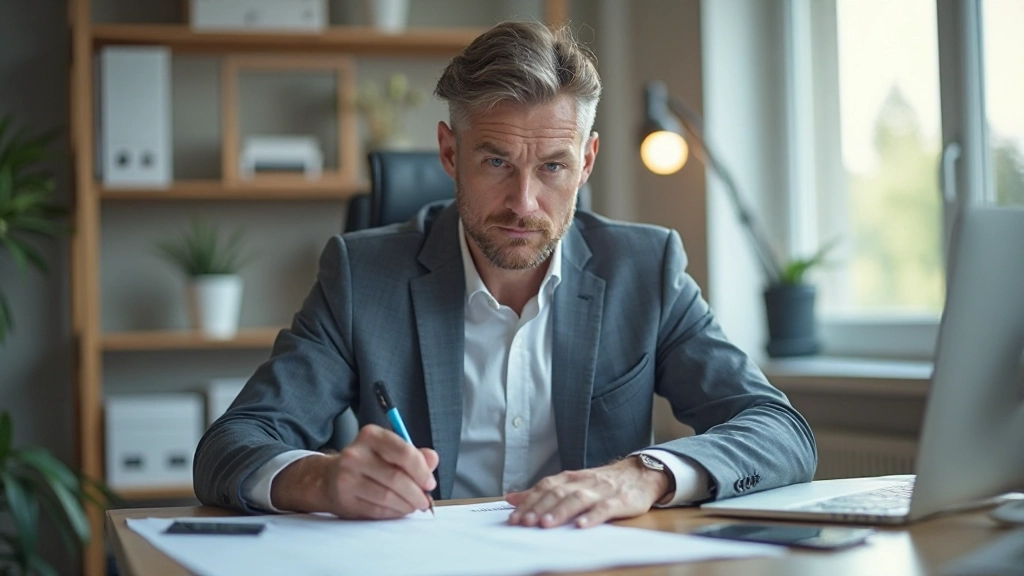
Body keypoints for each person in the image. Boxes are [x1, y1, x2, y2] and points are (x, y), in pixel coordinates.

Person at [194, 20, 816, 529]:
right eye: (496, 161)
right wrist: (321, 478)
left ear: (587, 160)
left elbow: (780, 432)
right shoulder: (363, 275)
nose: (524, 202)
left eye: (553, 167)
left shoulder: (646, 270)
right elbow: (230, 445)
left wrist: (642, 475)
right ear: (449, 153)